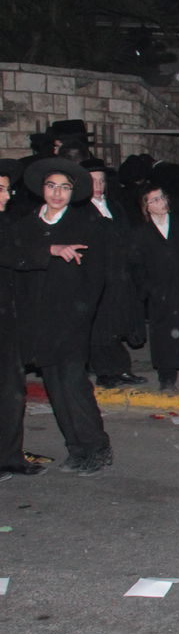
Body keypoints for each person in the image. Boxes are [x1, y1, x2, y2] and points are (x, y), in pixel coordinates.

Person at [15, 159, 112, 475]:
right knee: (54, 387)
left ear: (73, 193)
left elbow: (95, 277)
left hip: (70, 318)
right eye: (52, 186)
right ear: (42, 189)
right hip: (37, 321)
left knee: (73, 384)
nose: (58, 194)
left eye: (65, 188)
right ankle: (76, 448)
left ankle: (96, 447)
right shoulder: (27, 224)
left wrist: (81, 313)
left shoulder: (85, 224)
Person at [0, 162, 87, 478]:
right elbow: (10, 253)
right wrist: (50, 248)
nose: (6, 195)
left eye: (7, 189)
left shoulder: (10, 222)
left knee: (11, 392)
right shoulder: (12, 226)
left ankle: (8, 456)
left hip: (11, 319)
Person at [130, 183, 179, 393]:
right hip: (159, 291)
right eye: (154, 200)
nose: (160, 203)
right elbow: (136, 265)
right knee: (163, 334)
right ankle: (167, 377)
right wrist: (148, 288)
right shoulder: (141, 232)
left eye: (161, 198)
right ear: (146, 207)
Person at [83, 158, 146, 388]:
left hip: (119, 274)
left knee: (118, 324)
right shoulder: (81, 211)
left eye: (101, 181)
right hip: (97, 276)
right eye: (93, 181)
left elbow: (127, 237)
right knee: (100, 327)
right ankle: (105, 371)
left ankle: (121, 369)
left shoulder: (115, 206)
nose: (98, 185)